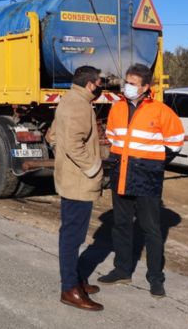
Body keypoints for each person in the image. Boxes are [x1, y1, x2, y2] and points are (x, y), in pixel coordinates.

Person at [99, 63, 184, 298]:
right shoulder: (117, 108)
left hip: (147, 178)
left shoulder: (161, 111)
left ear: (146, 87)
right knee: (121, 225)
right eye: (126, 82)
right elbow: (113, 137)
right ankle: (122, 270)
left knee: (152, 230)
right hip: (121, 175)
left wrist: (154, 163)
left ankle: (155, 278)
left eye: (133, 83)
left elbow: (175, 142)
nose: (127, 87)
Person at [52, 65, 104, 311]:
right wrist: (92, 167)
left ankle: (77, 279)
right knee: (72, 237)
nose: (102, 86)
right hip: (78, 181)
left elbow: (52, 135)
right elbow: (74, 144)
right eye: (100, 82)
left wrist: (60, 153)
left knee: (74, 234)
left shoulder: (69, 100)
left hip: (72, 177)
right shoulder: (79, 105)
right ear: (91, 84)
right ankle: (69, 289)